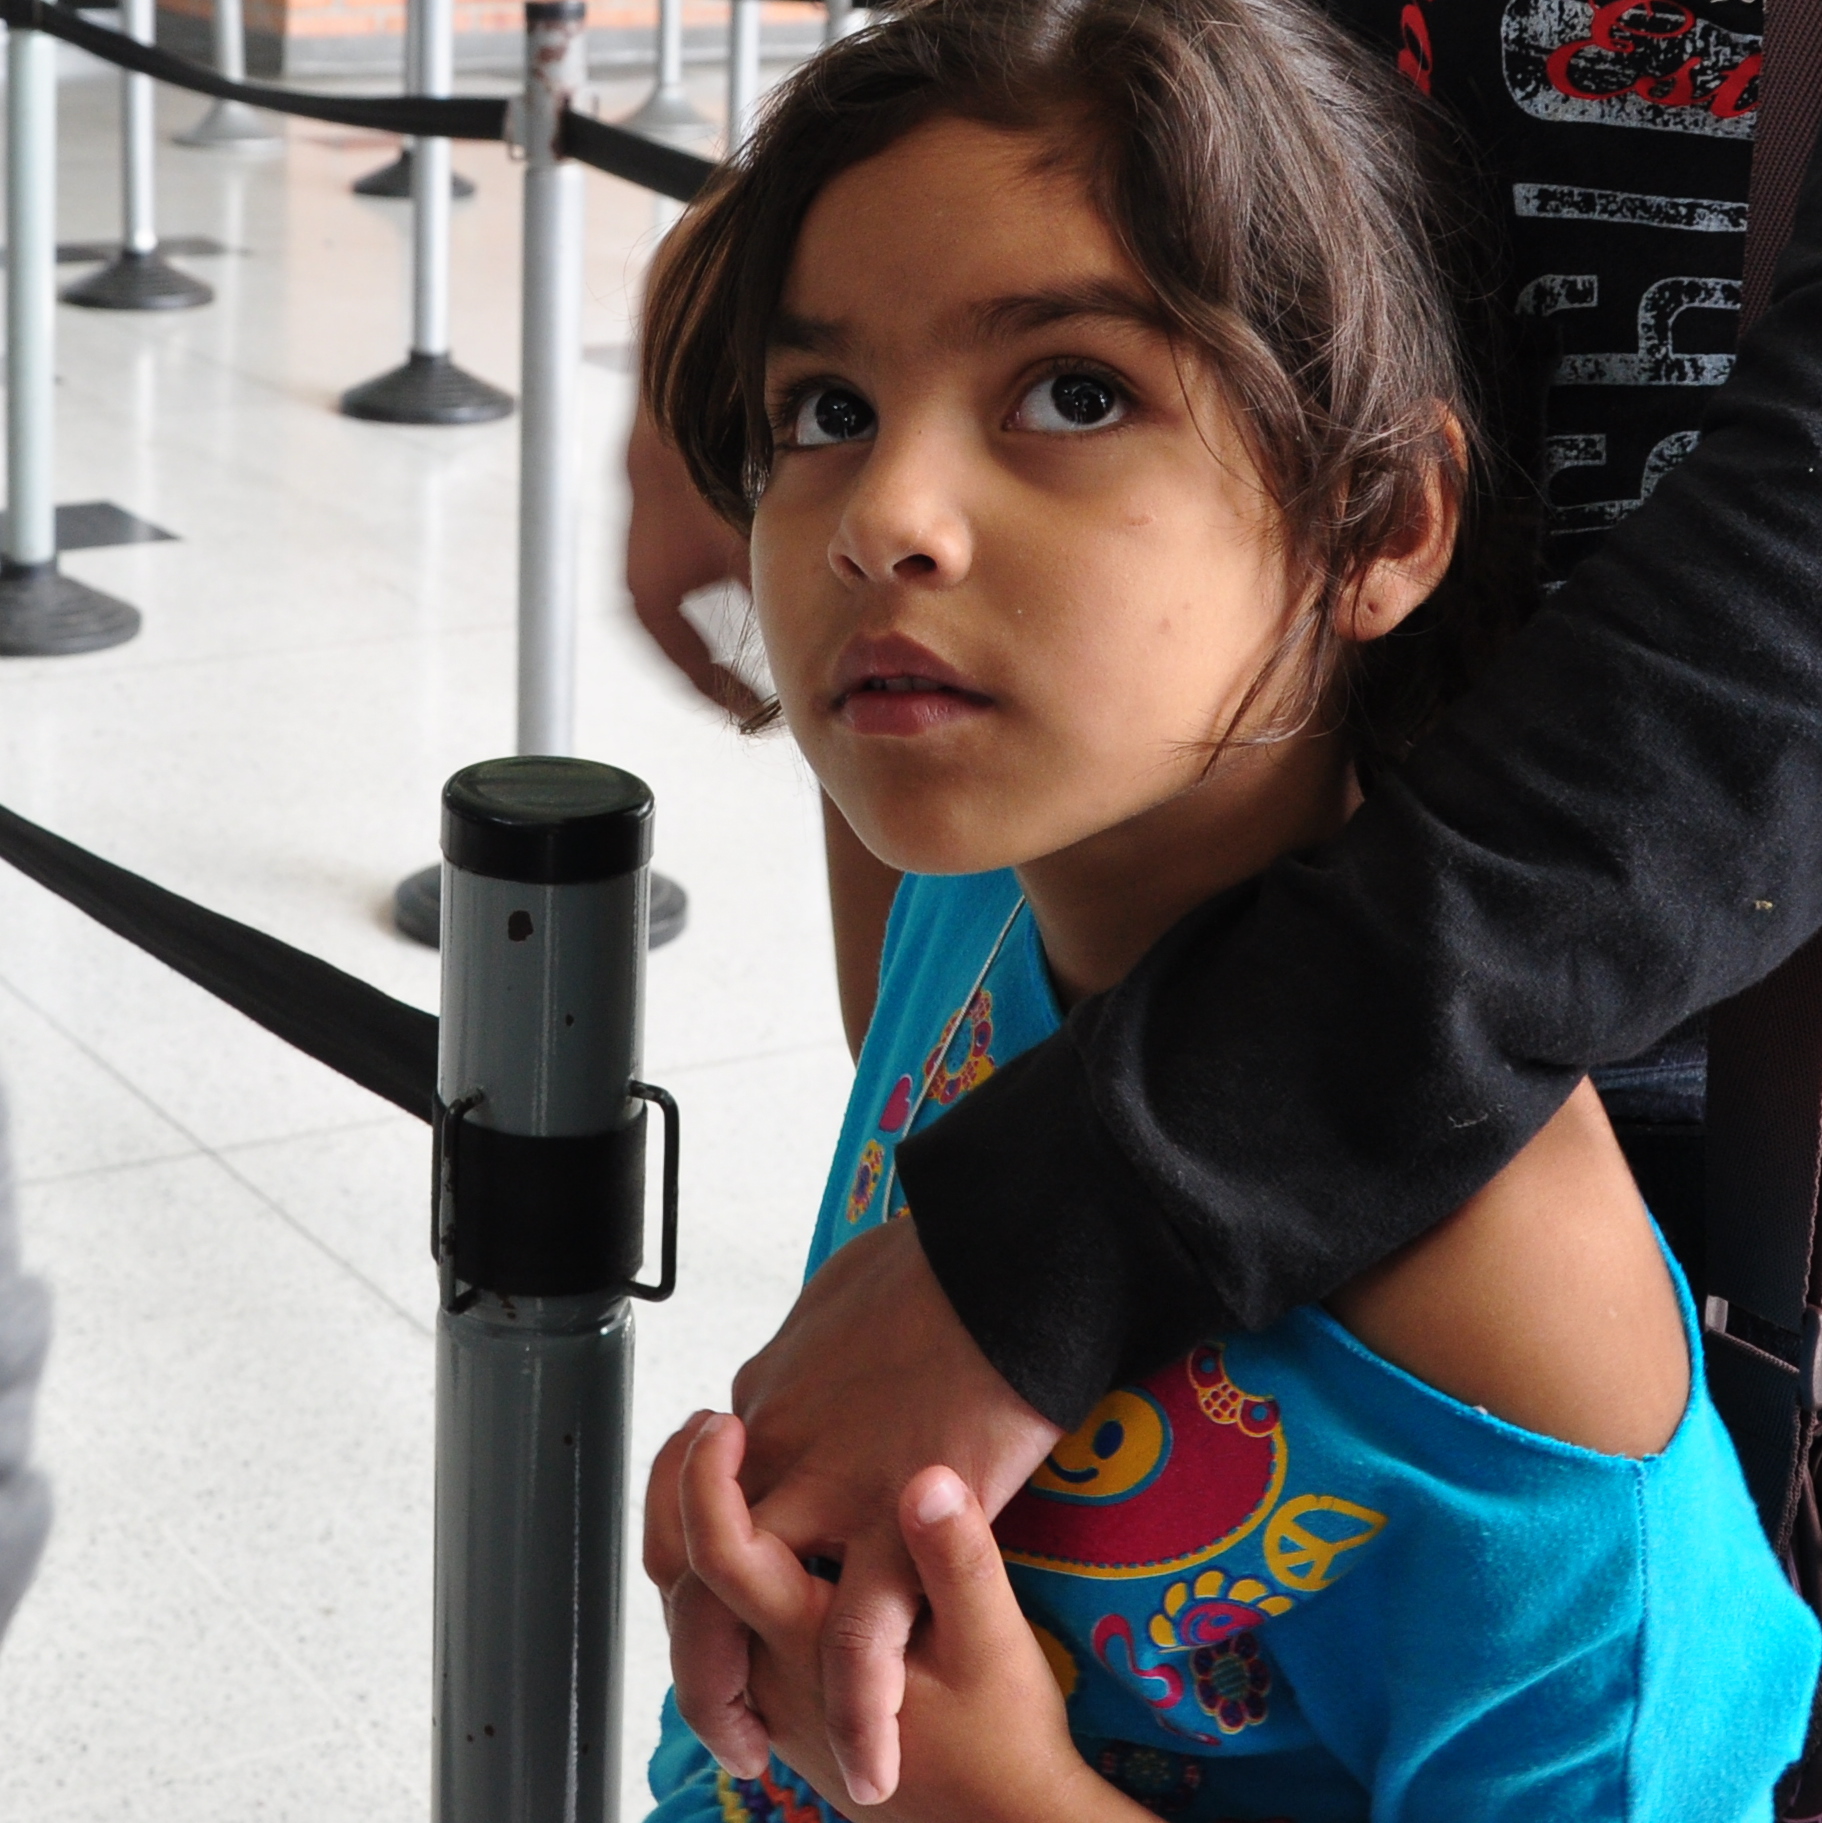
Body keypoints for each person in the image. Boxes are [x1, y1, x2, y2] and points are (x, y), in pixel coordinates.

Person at [626, 0, 1822, 1803]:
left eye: (1074, 393)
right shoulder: (980, 896)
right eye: (827, 412)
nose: (886, 517)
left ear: (1385, 524)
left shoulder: (1515, 1338)